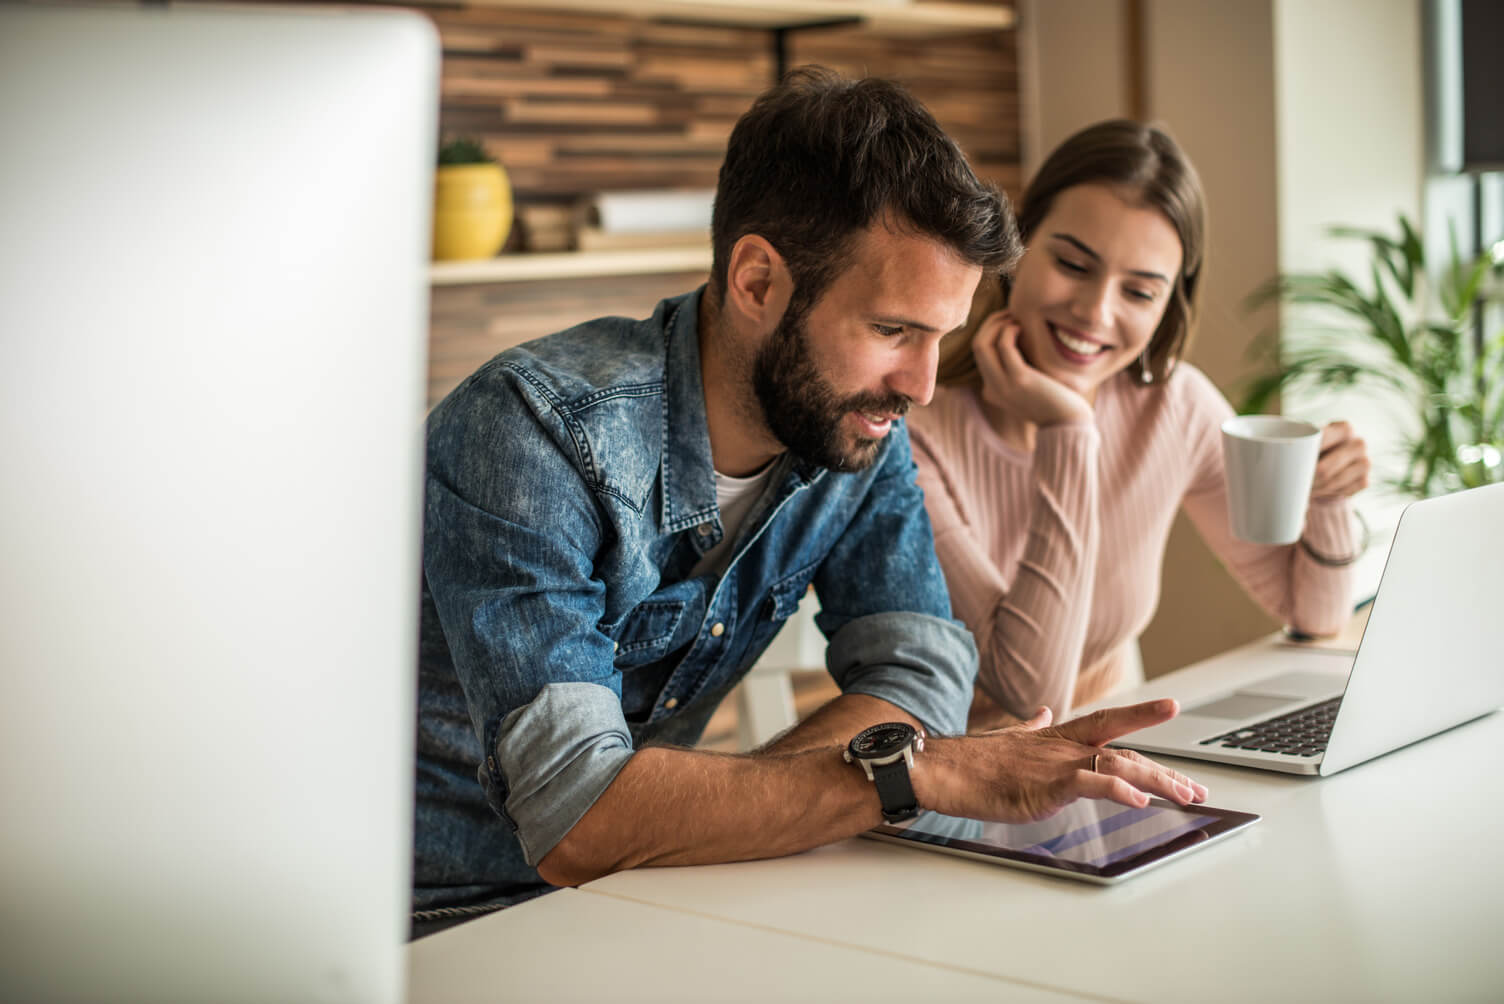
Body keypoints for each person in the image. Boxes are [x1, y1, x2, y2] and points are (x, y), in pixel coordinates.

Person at [412, 72, 1207, 936]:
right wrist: (908, 775)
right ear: (757, 282)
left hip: (654, 893)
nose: (924, 385)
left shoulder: (858, 427)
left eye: (940, 337)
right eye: (894, 330)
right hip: (442, 919)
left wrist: (732, 807)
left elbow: (922, 674)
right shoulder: (532, 433)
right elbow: (575, 816)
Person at [908, 119, 1371, 730]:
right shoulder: (916, 434)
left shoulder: (1172, 406)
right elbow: (1031, 697)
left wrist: (1328, 496)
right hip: (953, 785)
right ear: (1019, 247)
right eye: (1074, 264)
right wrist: (1068, 429)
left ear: (1167, 308)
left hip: (1116, 764)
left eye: (1140, 292)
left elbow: (1315, 614)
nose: (1095, 312)